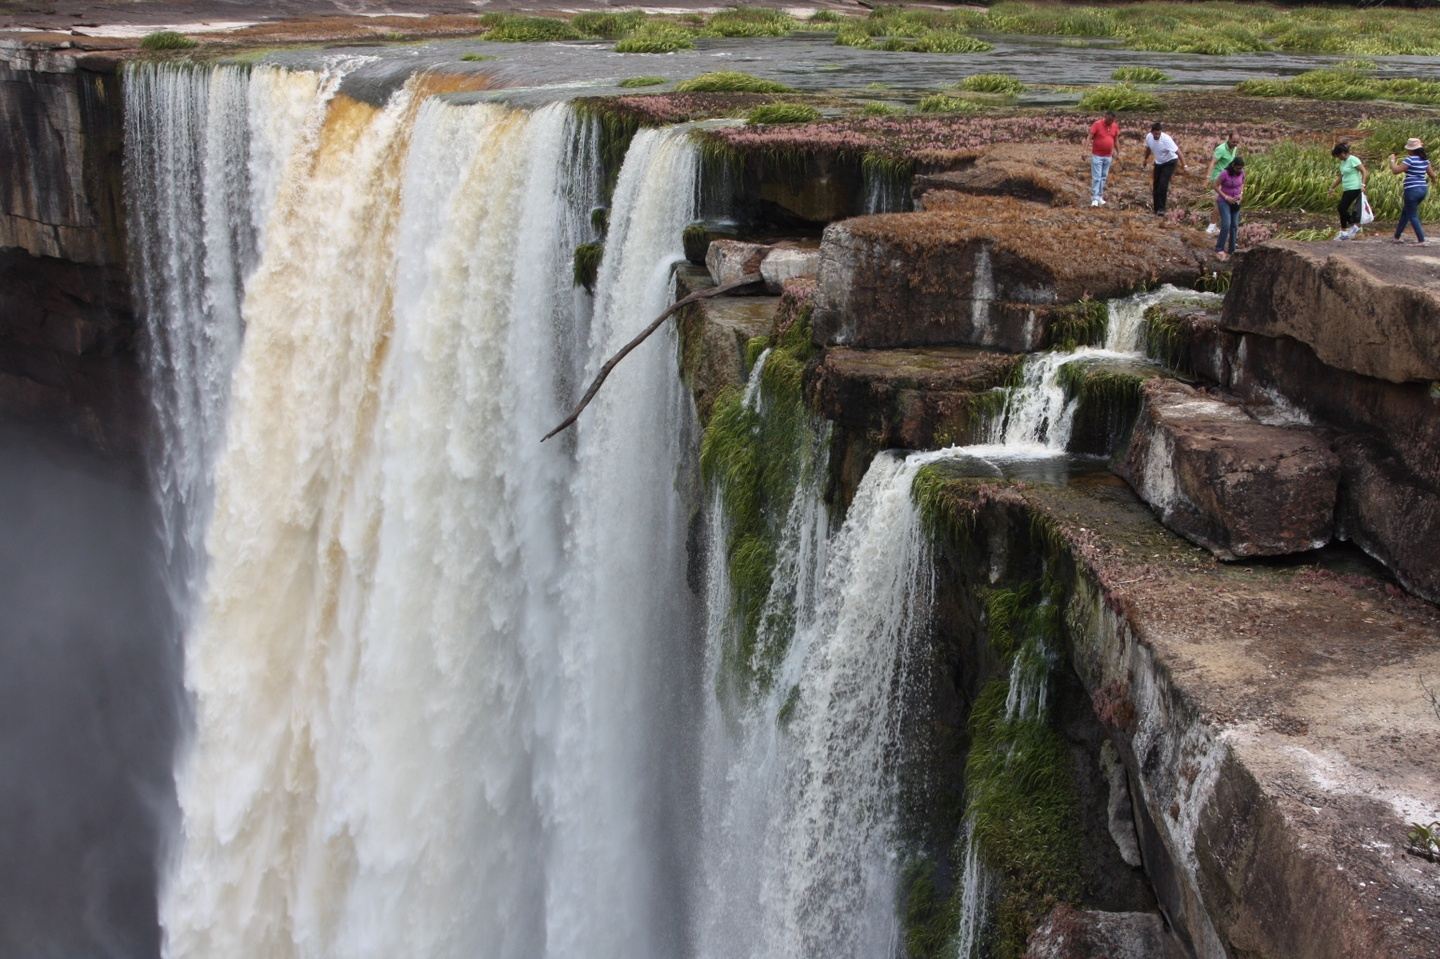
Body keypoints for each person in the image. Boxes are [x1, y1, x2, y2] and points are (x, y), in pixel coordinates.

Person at [1388, 137, 1435, 245]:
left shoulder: (1410, 159)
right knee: (1406, 212)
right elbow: (1432, 175)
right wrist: (1434, 181)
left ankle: (1421, 240)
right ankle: (1396, 237)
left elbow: (1395, 171)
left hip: (1412, 190)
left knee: (1412, 215)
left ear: (1411, 150)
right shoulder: (1425, 160)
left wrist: (1392, 160)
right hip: (1423, 189)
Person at [1328, 142, 1369, 240]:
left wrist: (1363, 184)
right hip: (1347, 188)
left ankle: (1352, 227)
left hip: (1354, 188)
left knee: (1341, 208)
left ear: (1343, 153)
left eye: (1338, 156)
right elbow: (1341, 176)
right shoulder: (1343, 162)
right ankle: (1344, 232)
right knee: (1342, 209)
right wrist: (1331, 187)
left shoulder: (1353, 160)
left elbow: (1364, 171)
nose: (1338, 158)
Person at [1143, 121, 1185, 216]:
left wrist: (1184, 165)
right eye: (1156, 133)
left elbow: (1178, 152)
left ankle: (1161, 209)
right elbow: (1148, 149)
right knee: (1156, 185)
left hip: (1170, 161)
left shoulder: (1166, 139)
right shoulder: (1149, 137)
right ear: (1152, 132)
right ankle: (1156, 208)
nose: (1157, 135)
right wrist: (1145, 159)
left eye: (1159, 133)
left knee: (1163, 184)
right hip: (1158, 162)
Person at [1206, 131, 1239, 232]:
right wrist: (1207, 177)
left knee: (1221, 204)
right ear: (1228, 139)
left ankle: (1214, 225)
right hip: (1218, 178)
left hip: (1227, 179)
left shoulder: (1234, 149)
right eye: (1233, 142)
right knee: (1220, 203)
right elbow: (1212, 163)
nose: (1235, 144)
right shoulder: (1221, 149)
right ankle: (1210, 227)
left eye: (1237, 142)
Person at [1214, 156, 1244, 261]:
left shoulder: (1242, 172)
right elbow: (1215, 186)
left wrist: (1241, 194)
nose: (1239, 170)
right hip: (1224, 201)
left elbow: (1242, 183)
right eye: (1238, 168)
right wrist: (1226, 197)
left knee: (1234, 226)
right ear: (1233, 166)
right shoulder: (1224, 173)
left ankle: (1232, 250)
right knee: (1226, 224)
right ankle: (1219, 249)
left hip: (1235, 202)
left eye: (1241, 168)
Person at [1088, 111, 1120, 207]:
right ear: (1105, 116)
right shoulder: (1097, 124)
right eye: (1109, 120)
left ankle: (1100, 196)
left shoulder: (1114, 126)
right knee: (1097, 177)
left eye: (1112, 120)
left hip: (1108, 156)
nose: (1110, 122)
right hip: (1097, 155)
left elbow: (1116, 140)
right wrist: (1084, 151)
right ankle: (1094, 198)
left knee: (1103, 177)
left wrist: (1118, 152)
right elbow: (1089, 137)